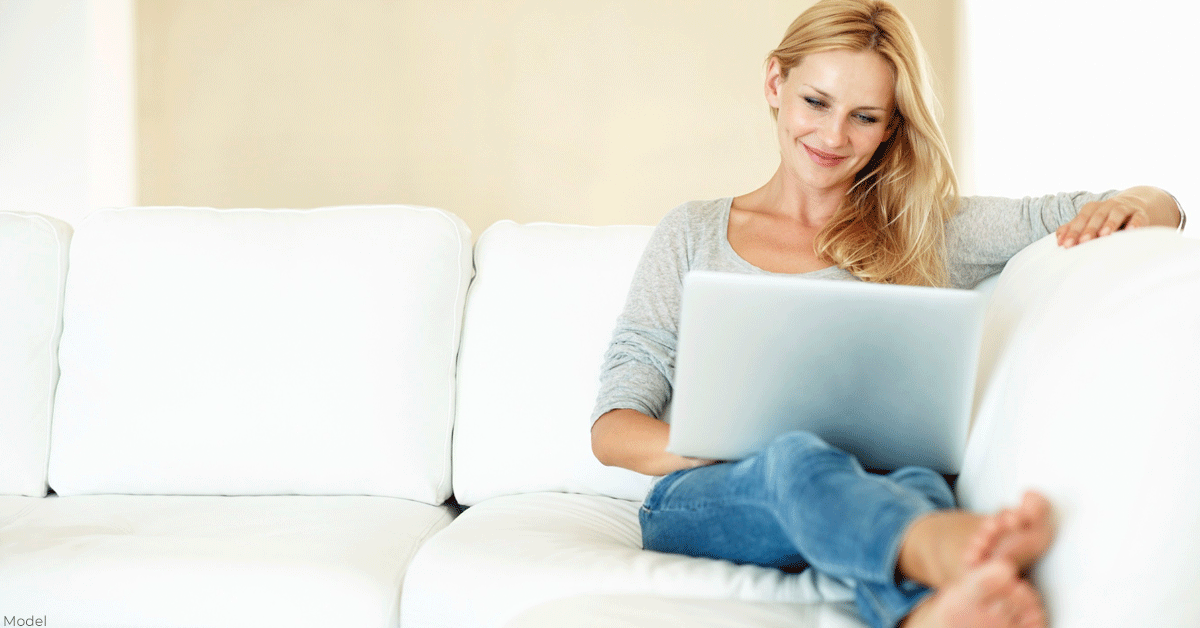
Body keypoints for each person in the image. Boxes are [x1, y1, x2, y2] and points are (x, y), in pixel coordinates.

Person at [589, 1, 1185, 628]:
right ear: (775, 83)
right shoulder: (693, 232)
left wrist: (1146, 205)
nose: (832, 136)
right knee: (796, 460)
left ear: (891, 127)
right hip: (711, 496)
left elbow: (1139, 204)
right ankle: (945, 550)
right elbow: (613, 428)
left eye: (864, 117)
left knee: (919, 486)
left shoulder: (926, 231)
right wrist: (726, 451)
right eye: (815, 102)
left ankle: (926, 612)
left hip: (878, 487)